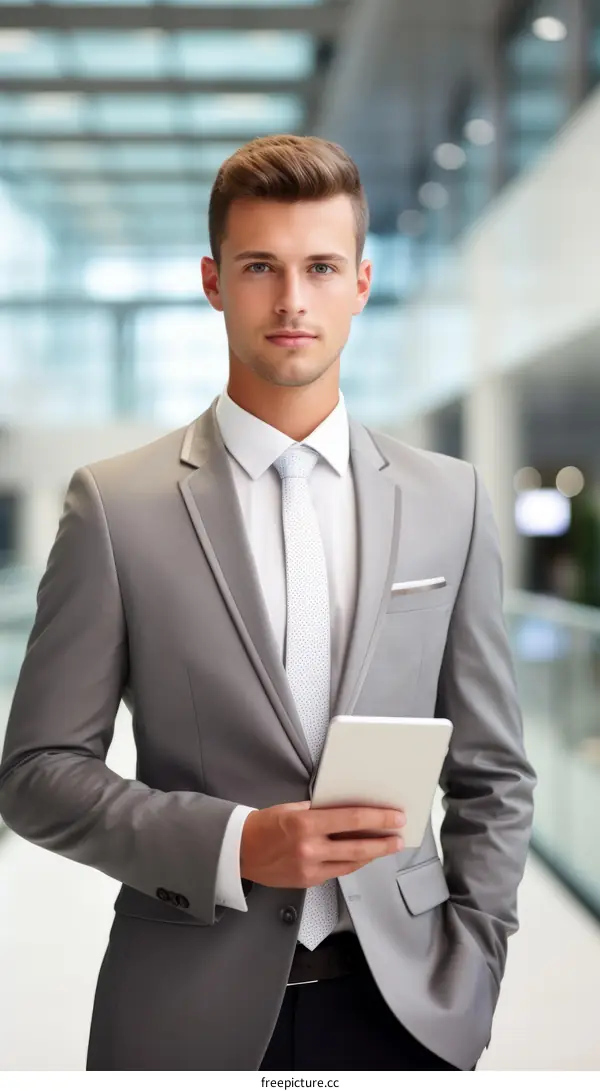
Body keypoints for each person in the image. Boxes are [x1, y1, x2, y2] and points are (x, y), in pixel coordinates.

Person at [0, 134, 536, 1072]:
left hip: (408, 1009)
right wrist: (236, 842)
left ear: (361, 283)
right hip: (182, 1011)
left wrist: (476, 966)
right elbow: (38, 772)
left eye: (321, 267)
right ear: (214, 281)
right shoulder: (115, 506)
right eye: (260, 267)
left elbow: (493, 770)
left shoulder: (450, 500)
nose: (293, 299)